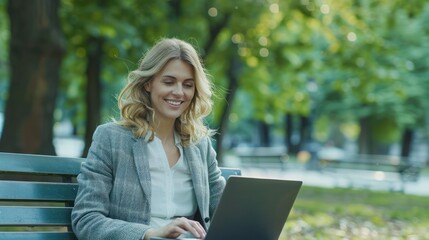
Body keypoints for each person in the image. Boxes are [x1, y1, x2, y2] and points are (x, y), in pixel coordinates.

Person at [71, 38, 226, 240]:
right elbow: (86, 219)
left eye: (188, 85)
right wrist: (149, 234)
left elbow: (225, 211)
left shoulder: (199, 145)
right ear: (147, 84)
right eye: (169, 82)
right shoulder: (111, 139)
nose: (179, 92)